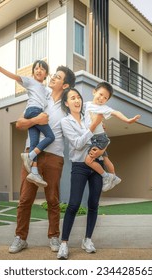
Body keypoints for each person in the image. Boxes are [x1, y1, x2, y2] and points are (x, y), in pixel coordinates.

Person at [8, 65, 76, 254]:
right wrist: (36, 121)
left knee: (53, 200)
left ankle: (54, 237)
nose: (53, 77)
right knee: (24, 199)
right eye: (53, 74)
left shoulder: (68, 105)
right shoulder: (39, 95)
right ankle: (20, 238)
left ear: (65, 85)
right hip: (32, 154)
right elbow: (20, 123)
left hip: (55, 156)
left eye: (58, 76)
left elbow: (81, 121)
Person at [57, 87, 108, 260]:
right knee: (74, 204)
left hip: (97, 164)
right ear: (66, 103)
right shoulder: (66, 122)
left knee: (93, 203)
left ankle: (87, 240)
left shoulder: (89, 115)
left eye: (78, 97)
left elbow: (102, 137)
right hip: (79, 165)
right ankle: (64, 243)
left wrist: (99, 146)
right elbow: (78, 144)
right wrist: (93, 127)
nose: (77, 100)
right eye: (72, 98)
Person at [0, 59, 54, 188]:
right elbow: (14, 76)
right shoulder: (30, 82)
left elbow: (53, 95)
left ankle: (34, 172)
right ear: (33, 72)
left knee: (33, 143)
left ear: (46, 73)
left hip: (34, 112)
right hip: (33, 111)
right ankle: (30, 155)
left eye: (42, 68)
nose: (39, 70)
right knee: (50, 137)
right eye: (36, 68)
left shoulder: (45, 89)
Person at [84, 82, 141, 192]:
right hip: (96, 138)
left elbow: (116, 112)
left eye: (105, 98)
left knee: (88, 161)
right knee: (105, 159)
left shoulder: (103, 108)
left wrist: (128, 120)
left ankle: (106, 176)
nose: (102, 99)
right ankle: (114, 177)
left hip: (99, 138)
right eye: (100, 94)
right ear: (94, 92)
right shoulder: (86, 105)